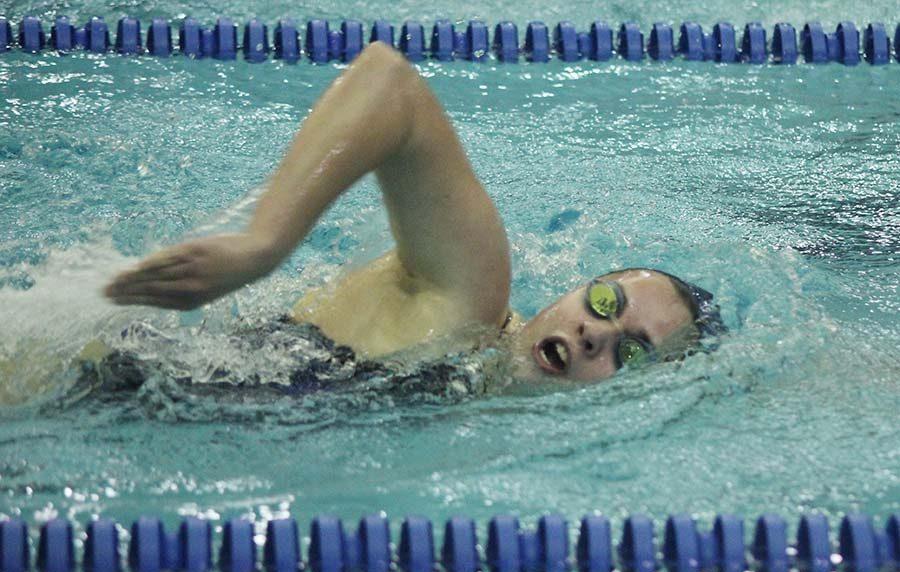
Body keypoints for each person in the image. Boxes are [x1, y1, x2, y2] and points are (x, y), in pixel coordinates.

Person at [103, 42, 724, 389]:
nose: (595, 332)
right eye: (606, 302)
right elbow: (390, 83)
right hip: (83, 381)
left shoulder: (478, 416)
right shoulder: (469, 305)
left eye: (632, 354)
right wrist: (264, 244)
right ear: (574, 289)